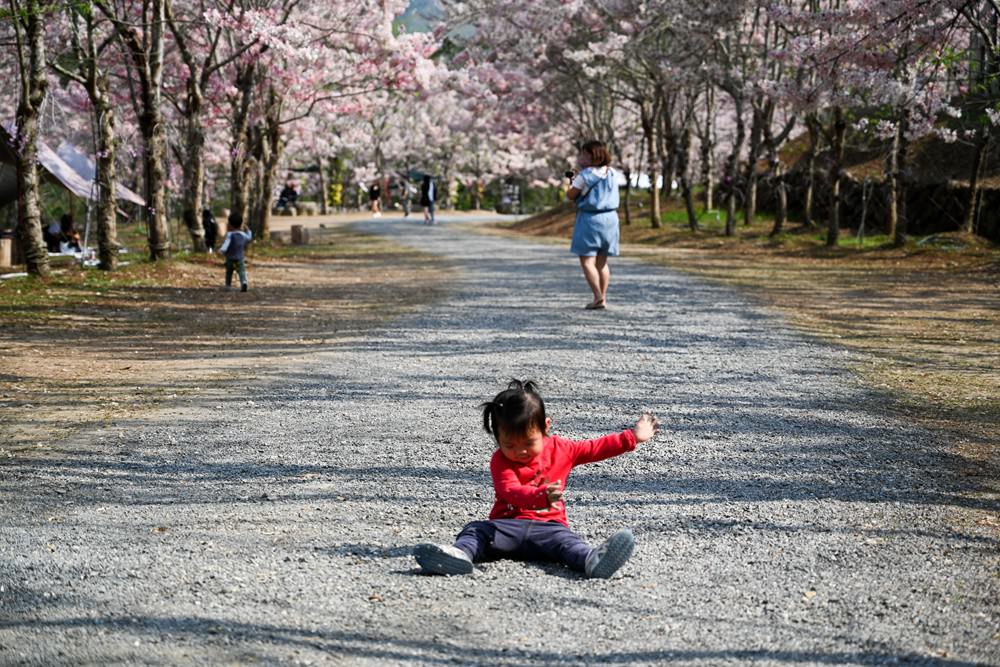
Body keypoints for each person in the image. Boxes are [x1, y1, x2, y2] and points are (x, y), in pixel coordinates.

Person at [414, 379, 660, 579]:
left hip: (549, 528)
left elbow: (596, 447)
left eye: (529, 443)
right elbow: (510, 490)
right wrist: (540, 496)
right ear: (497, 436)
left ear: (545, 427)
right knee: (476, 530)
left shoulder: (563, 449)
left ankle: (592, 560)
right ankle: (458, 555)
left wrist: (633, 437)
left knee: (568, 542)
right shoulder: (500, 460)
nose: (520, 451)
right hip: (505, 527)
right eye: (509, 444)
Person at [567, 140, 620, 310]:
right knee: (602, 262)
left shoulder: (585, 175)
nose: (581, 157)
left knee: (587, 260)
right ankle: (602, 297)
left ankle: (597, 296)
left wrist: (573, 181)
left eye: (584, 154)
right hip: (611, 219)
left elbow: (571, 195)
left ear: (593, 156)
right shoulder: (612, 172)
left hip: (590, 219)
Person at [219, 212, 252, 292]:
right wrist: (248, 230)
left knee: (229, 272)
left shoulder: (230, 235)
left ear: (230, 225)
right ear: (240, 225)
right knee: (241, 271)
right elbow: (249, 238)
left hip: (230, 257)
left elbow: (226, 244)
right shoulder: (243, 235)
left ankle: (228, 285)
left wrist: (222, 251)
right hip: (240, 257)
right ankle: (243, 282)